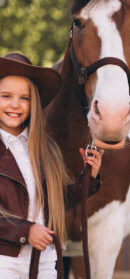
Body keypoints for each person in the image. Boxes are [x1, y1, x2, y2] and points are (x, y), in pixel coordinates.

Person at [0, 52, 104, 278]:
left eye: (25, 98)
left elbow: (56, 201)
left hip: (46, 259)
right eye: (6, 96)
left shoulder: (46, 150)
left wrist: (88, 178)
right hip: (4, 260)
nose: (15, 105)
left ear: (34, 103)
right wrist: (25, 232)